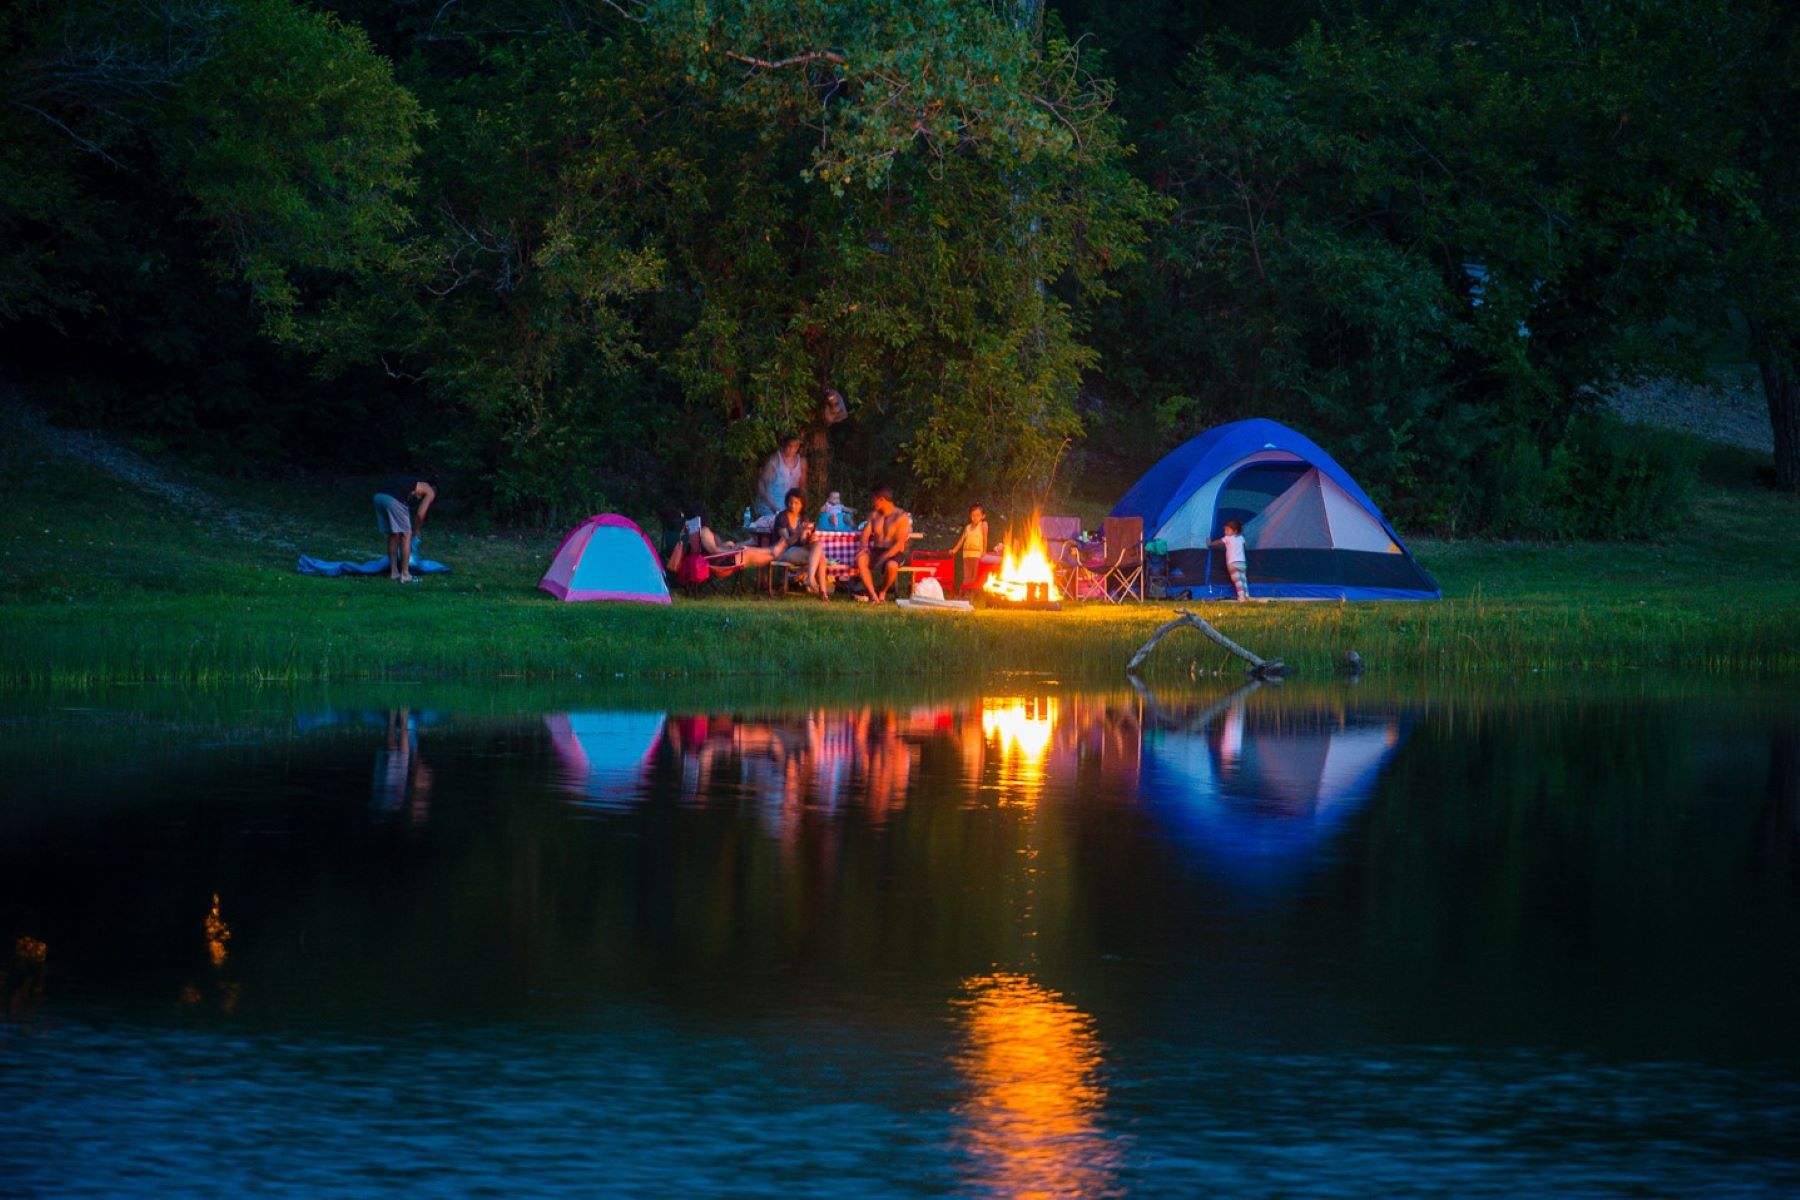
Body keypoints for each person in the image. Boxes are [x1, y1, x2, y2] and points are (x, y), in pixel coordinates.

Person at [373, 475, 437, 583]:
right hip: (393, 499)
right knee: (406, 535)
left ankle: (394, 573)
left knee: (394, 534)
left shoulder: (409, 483)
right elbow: (420, 514)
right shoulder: (430, 490)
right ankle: (405, 574)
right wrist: (416, 530)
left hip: (378, 497)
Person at [854, 487, 912, 603]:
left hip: (894, 551)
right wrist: (864, 548)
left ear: (881, 500)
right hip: (877, 550)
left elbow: (899, 542)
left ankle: (883, 591)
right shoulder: (874, 516)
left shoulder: (901, 516)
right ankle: (873, 595)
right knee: (861, 559)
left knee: (891, 566)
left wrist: (884, 557)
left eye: (874, 500)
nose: (872, 503)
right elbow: (865, 535)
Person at [770, 487, 830, 595]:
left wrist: (809, 537)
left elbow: (803, 542)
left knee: (818, 547)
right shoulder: (782, 517)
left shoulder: (803, 517)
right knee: (820, 558)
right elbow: (786, 542)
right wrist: (799, 532)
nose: (792, 505)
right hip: (784, 552)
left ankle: (821, 590)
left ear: (802, 505)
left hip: (798, 550)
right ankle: (815, 584)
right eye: (790, 502)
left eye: (796, 503)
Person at [753, 435, 808, 520]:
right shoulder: (774, 460)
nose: (792, 449)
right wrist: (772, 507)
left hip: (789, 509)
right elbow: (761, 484)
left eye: (795, 446)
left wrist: (803, 510)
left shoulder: (802, 462)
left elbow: (802, 487)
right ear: (784, 445)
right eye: (789, 446)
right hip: (769, 509)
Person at [948, 503, 989, 594]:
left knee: (974, 576)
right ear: (970, 516)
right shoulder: (968, 527)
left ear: (983, 516)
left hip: (977, 554)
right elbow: (962, 540)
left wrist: (984, 551)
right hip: (966, 554)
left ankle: (972, 595)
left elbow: (985, 538)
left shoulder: (983, 525)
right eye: (973, 515)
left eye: (978, 515)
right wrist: (954, 550)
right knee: (967, 576)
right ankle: (965, 594)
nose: (975, 517)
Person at [1209, 518, 1250, 601]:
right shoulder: (1241, 537)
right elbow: (1246, 545)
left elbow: (1218, 542)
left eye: (1227, 530)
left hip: (1233, 564)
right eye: (1225, 530)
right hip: (1242, 563)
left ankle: (1241, 597)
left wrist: (1210, 543)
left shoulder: (1227, 538)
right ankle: (1246, 595)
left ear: (1234, 531)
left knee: (1237, 580)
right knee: (1243, 579)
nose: (1225, 532)